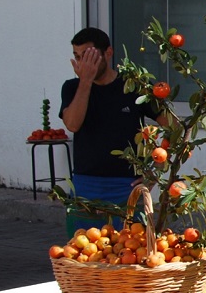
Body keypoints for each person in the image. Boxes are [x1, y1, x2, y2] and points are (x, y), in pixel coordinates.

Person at [60, 27, 170, 233]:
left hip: (127, 187)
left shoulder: (134, 87)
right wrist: (85, 81)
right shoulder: (72, 87)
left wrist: (155, 173)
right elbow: (73, 124)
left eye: (89, 56)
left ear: (108, 53)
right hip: (86, 185)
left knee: (130, 253)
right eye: (78, 57)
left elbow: (174, 129)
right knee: (82, 255)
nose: (84, 63)